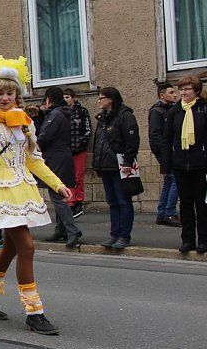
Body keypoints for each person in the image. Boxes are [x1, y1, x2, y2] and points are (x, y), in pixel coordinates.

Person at [0, 56, 70, 335]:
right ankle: (34, 311)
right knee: (27, 247)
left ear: (17, 95)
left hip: (22, 188)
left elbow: (33, 161)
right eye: (0, 93)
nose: (5, 97)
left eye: (10, 93)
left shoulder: (24, 123)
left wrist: (58, 185)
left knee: (11, 247)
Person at [161, 73, 207, 254]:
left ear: (196, 91)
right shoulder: (175, 111)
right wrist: (166, 165)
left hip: (201, 164)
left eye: (187, 89)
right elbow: (166, 139)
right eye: (181, 89)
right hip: (181, 164)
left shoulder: (204, 109)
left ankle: (204, 240)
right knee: (186, 204)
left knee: (203, 205)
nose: (183, 92)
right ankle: (187, 240)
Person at [93, 87, 140, 249]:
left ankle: (124, 235)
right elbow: (98, 142)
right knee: (112, 202)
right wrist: (97, 164)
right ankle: (114, 234)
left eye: (101, 98)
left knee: (123, 201)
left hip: (119, 165)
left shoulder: (125, 116)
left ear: (111, 99)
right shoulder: (102, 118)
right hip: (106, 165)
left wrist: (128, 163)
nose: (99, 101)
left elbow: (132, 141)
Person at [37, 87, 81, 248]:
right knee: (59, 196)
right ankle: (60, 229)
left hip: (55, 158)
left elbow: (44, 137)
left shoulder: (54, 115)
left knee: (57, 197)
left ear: (48, 99)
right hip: (62, 156)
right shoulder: (62, 113)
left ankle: (72, 229)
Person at [149, 83, 180, 227]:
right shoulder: (157, 111)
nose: (175, 95)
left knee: (169, 181)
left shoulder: (171, 110)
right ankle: (170, 212)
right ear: (162, 95)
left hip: (170, 151)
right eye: (171, 92)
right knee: (175, 180)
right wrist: (163, 153)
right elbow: (155, 135)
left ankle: (162, 213)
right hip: (166, 152)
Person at [63, 88, 92, 218]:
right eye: (64, 97)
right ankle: (70, 201)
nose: (66, 100)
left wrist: (81, 143)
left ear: (73, 98)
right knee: (68, 177)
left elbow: (87, 130)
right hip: (66, 150)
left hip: (79, 150)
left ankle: (79, 201)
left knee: (78, 177)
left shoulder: (82, 111)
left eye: (68, 97)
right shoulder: (62, 113)